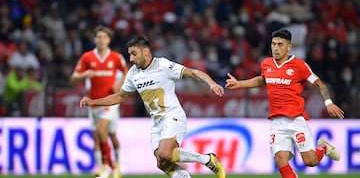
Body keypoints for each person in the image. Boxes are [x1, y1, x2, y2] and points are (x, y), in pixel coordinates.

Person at [79, 35, 226, 178]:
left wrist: (211, 83)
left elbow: (193, 72)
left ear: (146, 52)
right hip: (157, 123)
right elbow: (119, 96)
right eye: (130, 54)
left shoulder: (162, 65)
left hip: (173, 116)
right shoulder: (132, 73)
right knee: (162, 163)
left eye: (134, 54)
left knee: (165, 153)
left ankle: (207, 159)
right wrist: (93, 101)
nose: (131, 59)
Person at [225, 29, 344, 178]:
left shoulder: (299, 65)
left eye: (280, 44)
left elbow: (321, 85)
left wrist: (328, 103)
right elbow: (262, 80)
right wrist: (238, 84)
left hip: (296, 120)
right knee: (280, 159)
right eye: (273, 44)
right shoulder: (267, 63)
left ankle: (323, 148)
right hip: (277, 121)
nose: (275, 48)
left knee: (310, 161)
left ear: (289, 47)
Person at [71, 25, 128, 178]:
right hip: (94, 103)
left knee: (105, 132)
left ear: (109, 40)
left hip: (110, 102)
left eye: (104, 37)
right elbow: (74, 77)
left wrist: (119, 84)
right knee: (99, 135)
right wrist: (84, 75)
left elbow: (127, 71)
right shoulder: (87, 57)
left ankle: (111, 166)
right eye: (99, 37)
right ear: (94, 39)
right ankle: (105, 168)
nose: (101, 40)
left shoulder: (116, 57)